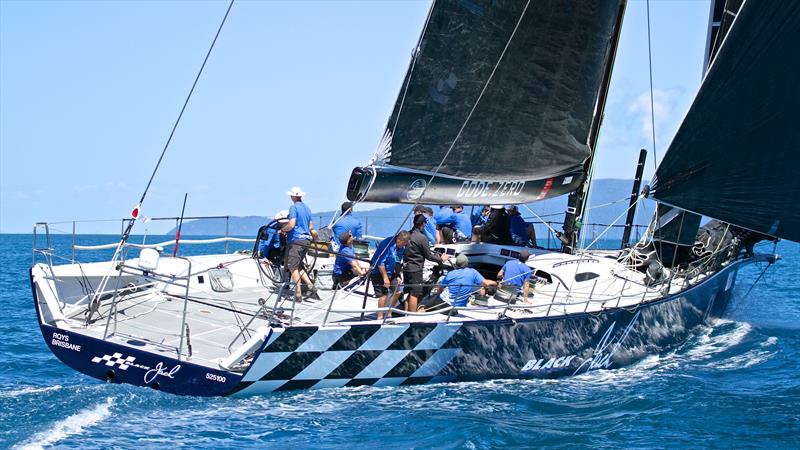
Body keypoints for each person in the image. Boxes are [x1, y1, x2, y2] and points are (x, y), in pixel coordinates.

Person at [403, 214, 450, 313]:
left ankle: (406, 314)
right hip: (415, 269)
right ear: (423, 224)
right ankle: (411, 317)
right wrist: (441, 259)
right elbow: (429, 256)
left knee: (409, 293)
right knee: (414, 294)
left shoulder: (407, 234)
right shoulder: (422, 238)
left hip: (406, 267)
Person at [280, 186, 318, 301]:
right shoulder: (307, 208)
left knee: (292, 267)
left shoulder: (293, 208)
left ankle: (298, 293)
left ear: (293, 196)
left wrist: (283, 230)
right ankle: (310, 285)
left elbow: (291, 224)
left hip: (296, 240)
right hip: (306, 240)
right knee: (299, 266)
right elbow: (311, 226)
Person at [370, 231, 410, 319]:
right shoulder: (387, 245)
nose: (403, 246)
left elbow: (398, 262)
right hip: (378, 271)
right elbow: (380, 263)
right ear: (399, 240)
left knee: (398, 291)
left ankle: (389, 313)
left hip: (391, 272)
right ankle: (380, 317)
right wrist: (385, 278)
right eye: (403, 244)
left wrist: (398, 275)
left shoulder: (401, 248)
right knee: (383, 294)